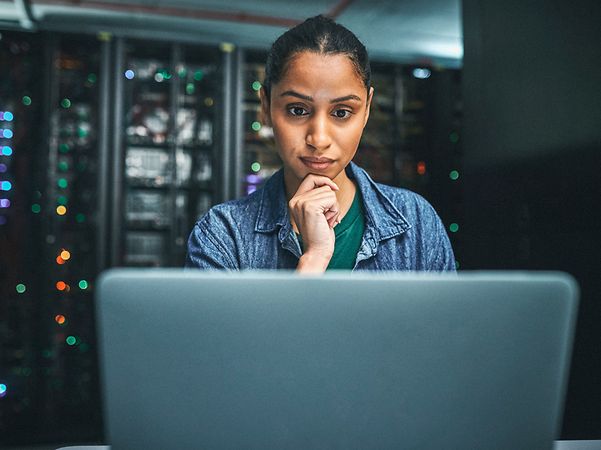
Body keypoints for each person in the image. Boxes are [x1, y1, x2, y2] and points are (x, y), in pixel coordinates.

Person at [186, 15, 455, 273]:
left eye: (341, 112)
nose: (319, 140)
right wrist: (314, 258)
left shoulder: (417, 222)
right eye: (297, 110)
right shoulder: (223, 235)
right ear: (265, 106)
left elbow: (449, 322)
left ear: (367, 110)